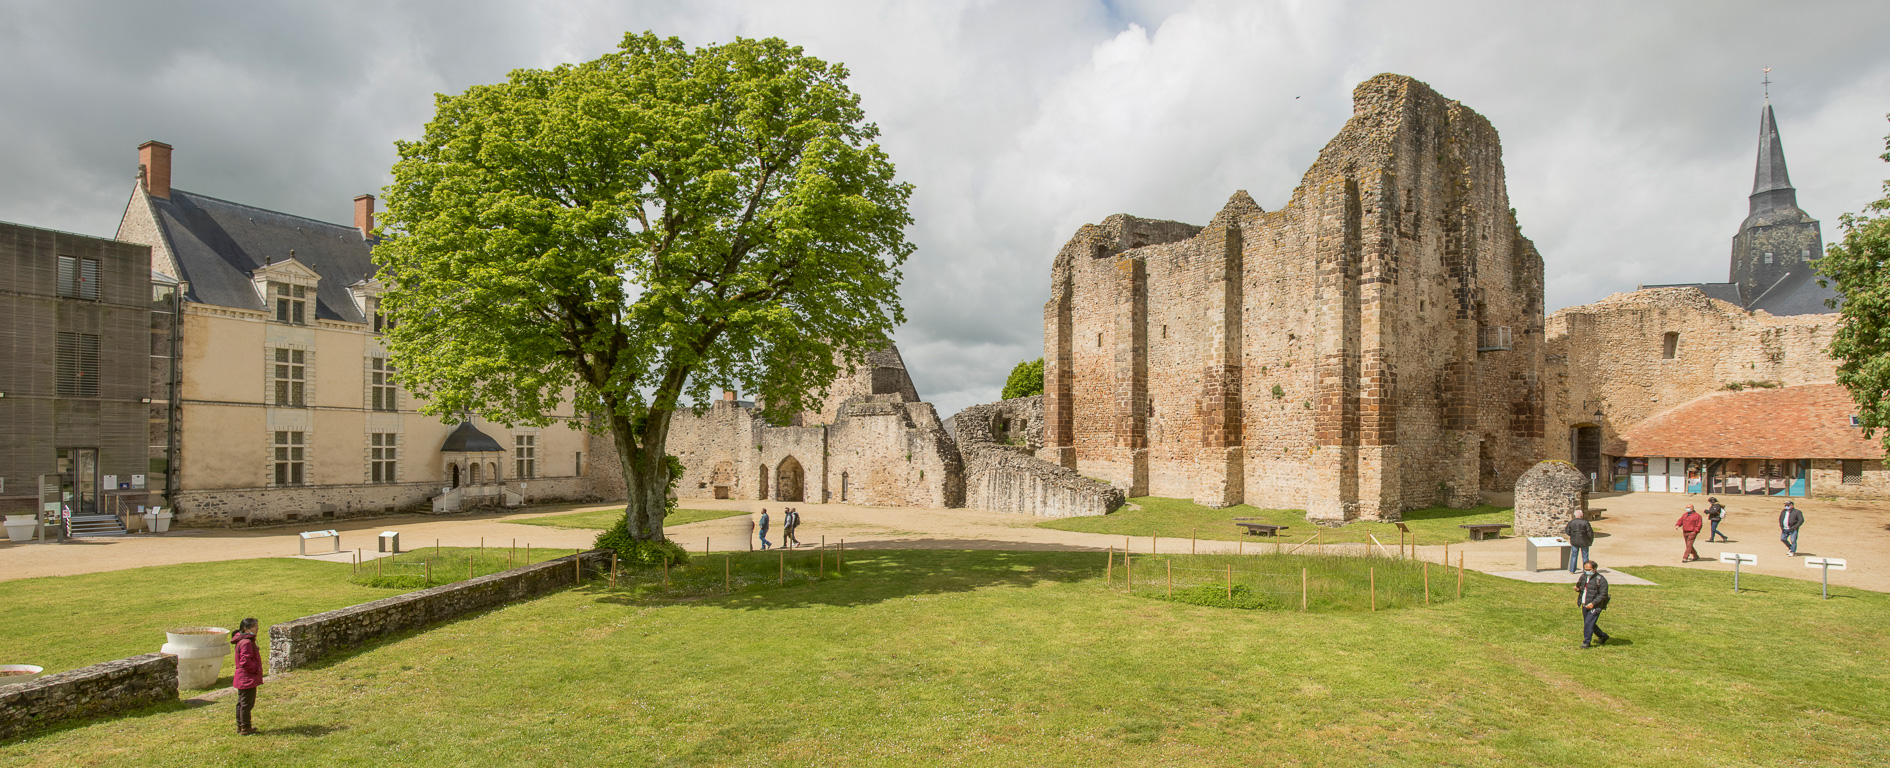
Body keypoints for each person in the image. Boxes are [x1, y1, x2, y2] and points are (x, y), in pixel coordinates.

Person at [231, 618, 263, 735]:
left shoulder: (245, 641)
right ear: (246, 629)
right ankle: (245, 727)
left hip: (244, 677)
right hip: (246, 678)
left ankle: (241, 726)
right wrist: (255, 669)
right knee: (247, 704)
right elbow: (245, 661)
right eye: (255, 627)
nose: (257, 629)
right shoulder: (246, 643)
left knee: (242, 702)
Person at [1574, 560, 1611, 649]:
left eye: (1589, 569)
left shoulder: (1601, 580)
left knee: (1588, 623)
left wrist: (1593, 603)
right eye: (1585, 569)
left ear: (1594, 569)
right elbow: (1581, 587)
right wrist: (1578, 589)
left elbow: (1603, 594)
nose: (1587, 571)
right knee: (1590, 623)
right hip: (1584, 604)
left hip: (1595, 606)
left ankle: (1586, 642)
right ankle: (1602, 636)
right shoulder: (1583, 577)